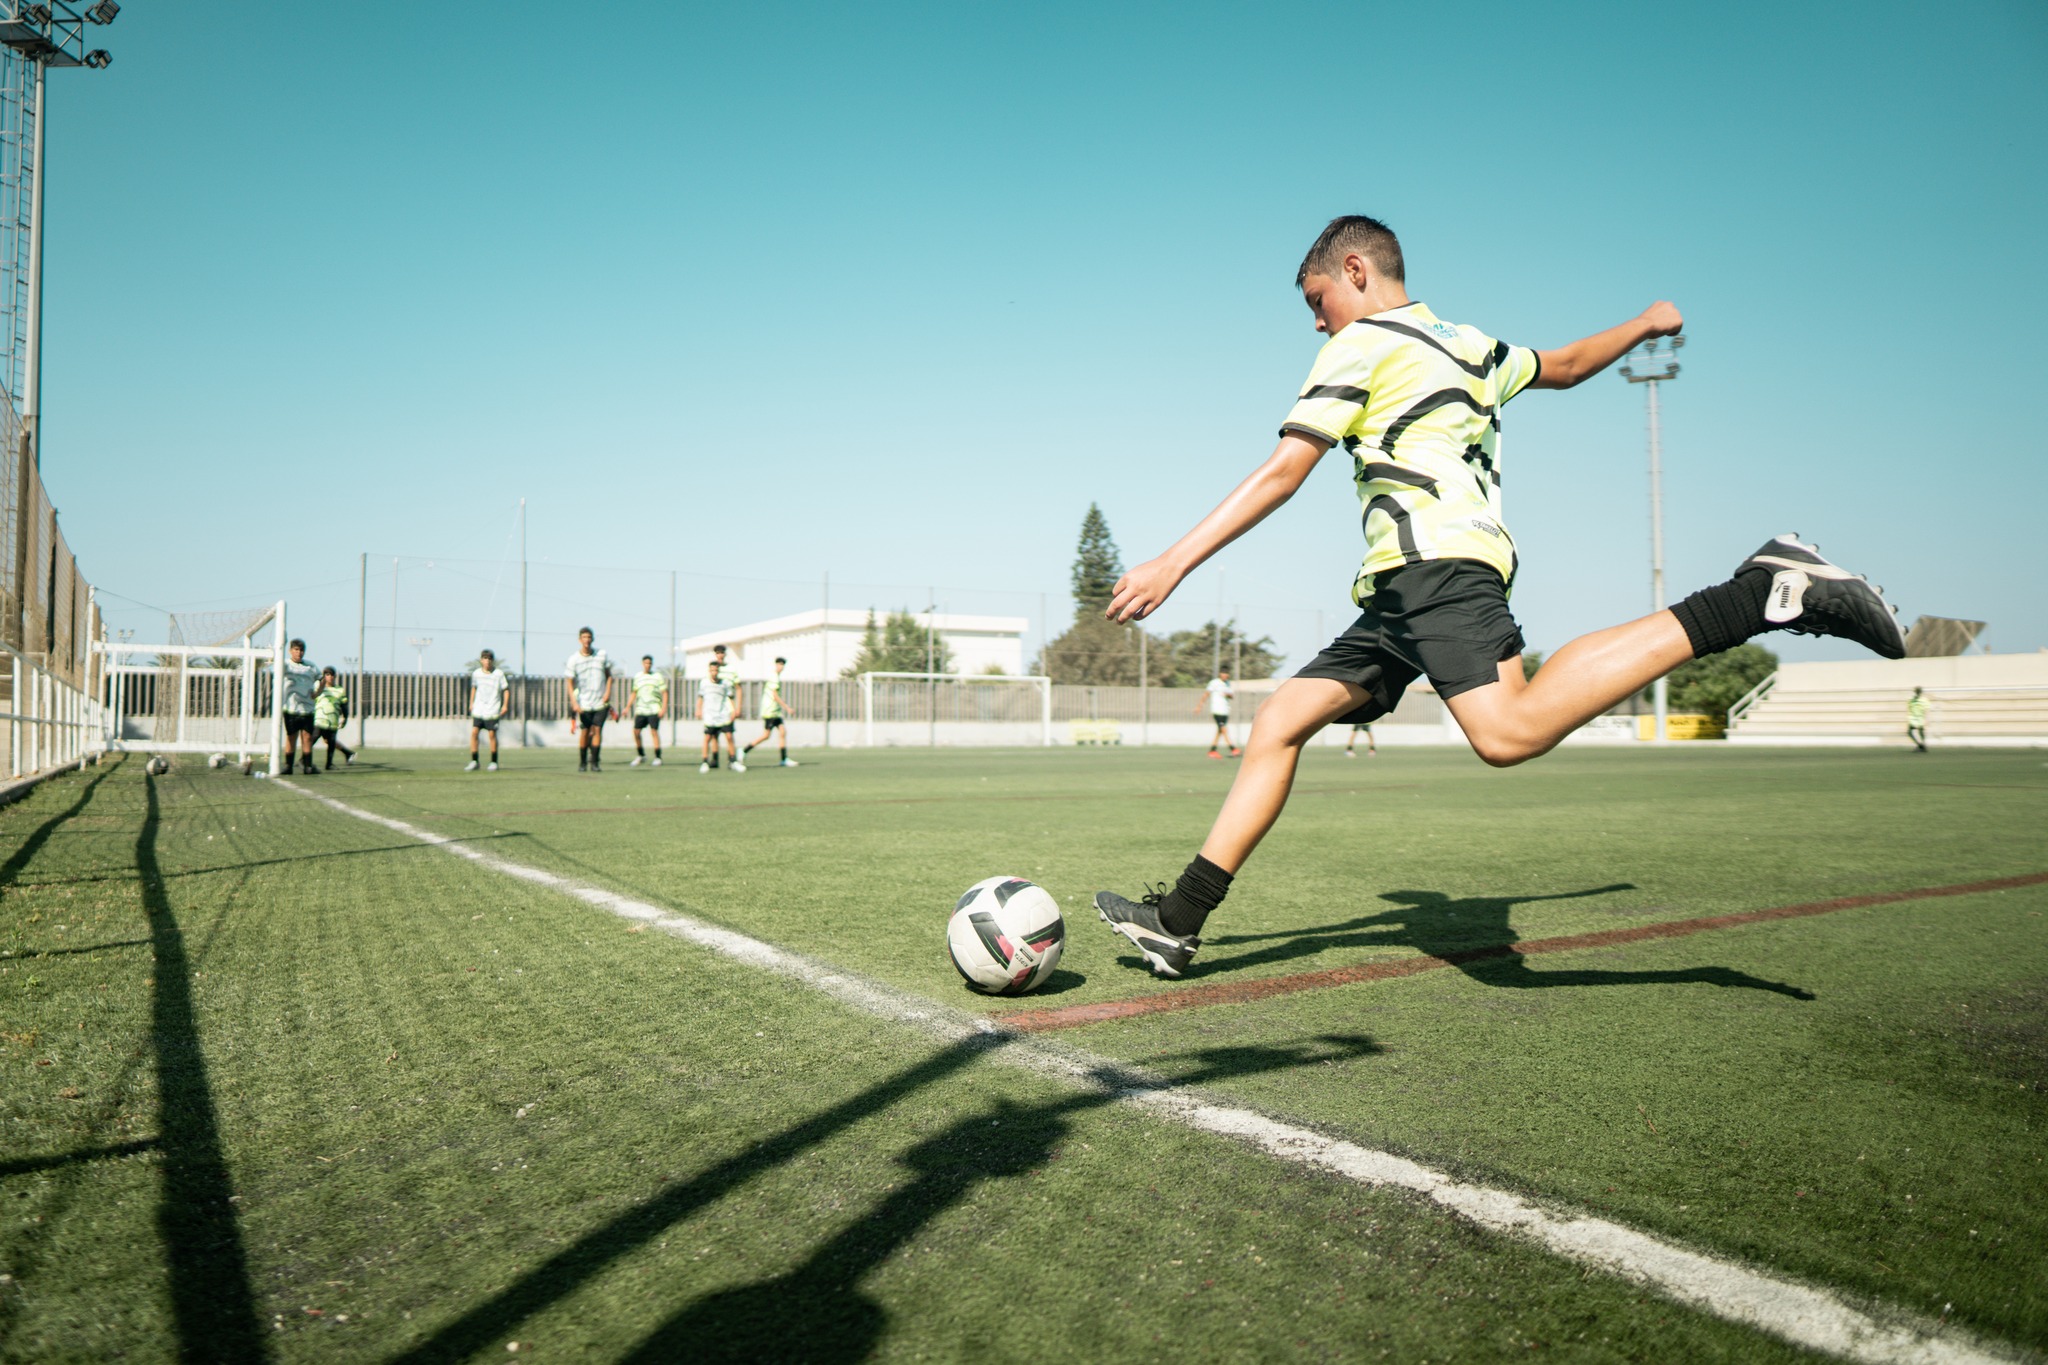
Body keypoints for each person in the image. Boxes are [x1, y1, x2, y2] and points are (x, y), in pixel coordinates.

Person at [1093, 214, 1905, 978]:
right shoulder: (1473, 345)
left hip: (1436, 566)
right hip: (1402, 593)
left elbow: (1284, 470)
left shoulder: (1362, 340)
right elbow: (1572, 364)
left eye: (1318, 302)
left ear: (1355, 270)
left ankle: (1759, 594)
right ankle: (1181, 917)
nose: (1316, 322)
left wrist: (1174, 561)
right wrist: (1647, 320)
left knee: (1508, 731)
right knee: (1278, 722)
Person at [565, 627, 613, 773]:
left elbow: (609, 676)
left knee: (597, 730)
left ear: (592, 639)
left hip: (600, 701)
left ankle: (595, 762)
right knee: (585, 732)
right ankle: (582, 762)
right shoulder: (574, 659)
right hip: (584, 702)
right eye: (584, 637)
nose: (587, 640)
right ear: (580, 640)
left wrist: (607, 692)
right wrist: (574, 701)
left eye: (589, 637)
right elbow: (569, 682)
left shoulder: (602, 655)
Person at [742, 656, 798, 767]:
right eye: (779, 664)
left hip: (775, 712)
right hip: (770, 711)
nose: (781, 666)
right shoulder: (774, 677)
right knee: (766, 735)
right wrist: (787, 707)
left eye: (783, 665)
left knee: (782, 732)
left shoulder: (776, 676)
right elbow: (775, 695)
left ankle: (783, 759)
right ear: (776, 665)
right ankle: (744, 751)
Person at [280, 638, 321, 775]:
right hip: (291, 708)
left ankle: (308, 765)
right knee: (291, 736)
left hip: (307, 708)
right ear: (290, 650)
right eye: (296, 650)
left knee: (307, 737)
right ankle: (288, 766)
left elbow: (321, 679)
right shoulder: (285, 664)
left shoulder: (310, 666)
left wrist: (317, 693)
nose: (299, 653)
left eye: (301, 650)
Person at [698, 658, 744, 773]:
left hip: (723, 714)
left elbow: (730, 697)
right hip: (710, 715)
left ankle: (733, 761)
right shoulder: (704, 683)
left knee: (729, 736)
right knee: (707, 738)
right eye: (712, 670)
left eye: (716, 670)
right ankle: (704, 762)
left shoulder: (725, 683)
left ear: (718, 671)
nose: (714, 673)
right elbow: (700, 697)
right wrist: (698, 710)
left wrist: (733, 710)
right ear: (709, 671)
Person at [467, 649, 510, 771]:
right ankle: (474, 761)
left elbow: (506, 690)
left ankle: (493, 762)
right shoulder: (476, 674)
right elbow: (474, 688)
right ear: (481, 660)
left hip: (492, 709)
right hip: (479, 709)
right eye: (485, 658)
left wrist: (505, 705)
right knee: (474, 732)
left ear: (492, 660)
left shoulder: (498, 674)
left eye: (490, 659)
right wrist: (471, 703)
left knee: (492, 734)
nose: (487, 661)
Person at [628, 654, 669, 766]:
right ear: (642, 664)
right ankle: (641, 755)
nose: (648, 665)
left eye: (650, 663)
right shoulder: (638, 676)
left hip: (654, 708)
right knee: (636, 732)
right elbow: (634, 692)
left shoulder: (657, 676)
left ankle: (658, 757)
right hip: (641, 709)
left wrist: (663, 708)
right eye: (646, 663)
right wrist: (627, 707)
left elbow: (665, 692)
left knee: (654, 731)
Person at [312, 667, 355, 770]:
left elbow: (344, 705)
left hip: (332, 720)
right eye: (327, 675)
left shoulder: (339, 690)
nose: (329, 677)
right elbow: (312, 696)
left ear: (334, 677)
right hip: (319, 719)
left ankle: (329, 764)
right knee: (312, 739)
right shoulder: (318, 687)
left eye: (331, 675)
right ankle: (304, 759)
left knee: (330, 742)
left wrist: (345, 717)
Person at [1201, 666, 1238, 758]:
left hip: (1225, 711)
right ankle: (1233, 748)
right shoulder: (1214, 683)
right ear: (1220, 674)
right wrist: (1200, 705)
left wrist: (1228, 695)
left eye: (1226, 673)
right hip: (1217, 710)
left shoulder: (1228, 684)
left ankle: (1212, 751)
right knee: (1223, 729)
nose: (1225, 675)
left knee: (1220, 731)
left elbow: (1231, 696)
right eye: (1223, 673)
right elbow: (1206, 694)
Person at [1906, 686, 1929, 753]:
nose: (1916, 692)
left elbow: (1927, 710)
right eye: (1916, 691)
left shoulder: (1924, 700)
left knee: (1920, 731)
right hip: (1913, 718)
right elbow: (1909, 708)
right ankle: (1920, 745)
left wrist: (1927, 719)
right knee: (1909, 732)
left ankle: (1922, 745)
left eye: (1918, 691)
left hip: (1920, 717)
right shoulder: (1911, 700)